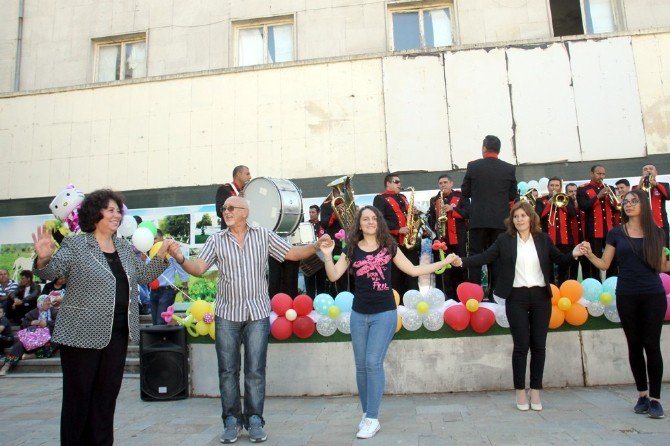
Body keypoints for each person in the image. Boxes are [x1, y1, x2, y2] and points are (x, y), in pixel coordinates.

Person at [173, 196, 330, 444]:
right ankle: (231, 421)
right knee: (228, 371)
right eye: (224, 209)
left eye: (231, 208)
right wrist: (181, 259)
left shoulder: (262, 235)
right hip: (227, 314)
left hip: (257, 313)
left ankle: (255, 419)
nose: (226, 212)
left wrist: (315, 246)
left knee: (255, 371)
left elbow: (290, 253)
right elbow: (200, 268)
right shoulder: (216, 240)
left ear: (245, 212)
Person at [32, 189, 173, 445]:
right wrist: (43, 259)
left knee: (106, 399)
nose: (116, 215)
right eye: (110, 210)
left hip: (117, 335)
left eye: (118, 210)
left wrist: (162, 255)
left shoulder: (123, 247)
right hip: (79, 335)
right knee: (79, 399)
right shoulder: (76, 244)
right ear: (94, 213)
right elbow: (52, 272)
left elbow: (142, 275)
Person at [320, 206, 457, 439]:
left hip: (384, 313)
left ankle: (372, 418)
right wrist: (326, 255)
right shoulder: (351, 249)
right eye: (366, 219)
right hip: (358, 314)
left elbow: (413, 270)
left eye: (374, 218)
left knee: (373, 362)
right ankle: (367, 415)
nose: (370, 222)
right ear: (359, 224)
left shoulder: (389, 246)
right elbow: (334, 276)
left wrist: (445, 262)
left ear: (379, 222)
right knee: (361, 366)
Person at [454, 201, 582, 411]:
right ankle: (520, 392)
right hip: (516, 297)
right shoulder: (504, 240)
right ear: (512, 220)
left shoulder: (542, 239)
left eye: (523, 215)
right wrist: (462, 261)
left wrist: (574, 253)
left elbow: (560, 259)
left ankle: (536, 391)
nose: (520, 219)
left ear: (531, 218)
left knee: (539, 346)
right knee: (521, 346)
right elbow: (485, 257)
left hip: (541, 296)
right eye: (516, 216)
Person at [579, 189, 669, 419]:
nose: (628, 205)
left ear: (643, 205)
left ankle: (656, 400)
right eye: (626, 201)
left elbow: (661, 267)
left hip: (653, 294)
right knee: (634, 344)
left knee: (652, 344)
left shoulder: (657, 232)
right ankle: (642, 394)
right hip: (626, 294)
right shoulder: (616, 233)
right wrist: (589, 254)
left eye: (633, 201)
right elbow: (604, 263)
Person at [461, 135, 517, 294]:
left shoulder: (473, 166)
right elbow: (512, 195)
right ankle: (496, 294)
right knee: (497, 257)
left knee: (475, 256)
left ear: (484, 148)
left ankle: (474, 294)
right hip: (500, 221)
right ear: (499, 150)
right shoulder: (509, 168)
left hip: (478, 220)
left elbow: (465, 191)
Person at [373, 174, 420, 298]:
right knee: (395, 275)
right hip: (392, 242)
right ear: (388, 184)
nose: (399, 184)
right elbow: (379, 219)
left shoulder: (403, 197)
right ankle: (397, 303)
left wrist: (414, 214)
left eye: (399, 182)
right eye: (396, 182)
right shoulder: (380, 198)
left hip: (409, 242)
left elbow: (407, 216)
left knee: (412, 273)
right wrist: (397, 230)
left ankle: (414, 300)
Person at [427, 174, 470, 299]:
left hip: (458, 239)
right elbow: (432, 219)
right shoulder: (434, 200)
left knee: (460, 270)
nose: (443, 185)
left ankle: (462, 297)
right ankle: (446, 299)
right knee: (444, 272)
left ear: (451, 184)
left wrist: (453, 209)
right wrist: (433, 226)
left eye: (445, 182)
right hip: (441, 241)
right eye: (440, 183)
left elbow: (469, 213)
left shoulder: (461, 196)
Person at [0, 295, 59, 376]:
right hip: (33, 338)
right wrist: (32, 323)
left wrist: (47, 323)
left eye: (49, 301)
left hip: (48, 338)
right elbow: (23, 325)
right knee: (19, 344)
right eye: (45, 301)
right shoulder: (32, 313)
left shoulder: (54, 311)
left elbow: (59, 324)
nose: (48, 303)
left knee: (56, 341)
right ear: (40, 303)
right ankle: (7, 365)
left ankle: (33, 355)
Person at [577, 165, 618, 279]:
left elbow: (616, 208)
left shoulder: (609, 188)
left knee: (613, 259)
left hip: (610, 229)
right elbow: (583, 207)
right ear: (591, 174)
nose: (601, 176)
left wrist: (613, 198)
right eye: (598, 173)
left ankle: (612, 281)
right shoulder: (583, 189)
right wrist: (598, 196)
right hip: (594, 231)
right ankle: (597, 283)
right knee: (594, 260)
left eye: (603, 174)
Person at [534, 177, 576, 285]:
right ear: (548, 187)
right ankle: (551, 290)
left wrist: (562, 204)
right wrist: (549, 203)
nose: (554, 188)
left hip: (565, 239)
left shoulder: (567, 199)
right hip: (547, 240)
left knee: (564, 267)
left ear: (560, 187)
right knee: (548, 269)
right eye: (552, 185)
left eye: (557, 185)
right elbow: (538, 216)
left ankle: (563, 289)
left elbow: (572, 214)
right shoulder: (540, 201)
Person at [150, 230, 189, 325]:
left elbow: (182, 271)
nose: (154, 241)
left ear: (162, 238)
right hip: (153, 291)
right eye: (152, 239)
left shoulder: (170, 253)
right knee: (155, 322)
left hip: (167, 291)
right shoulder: (151, 253)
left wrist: (185, 289)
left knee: (161, 321)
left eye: (155, 238)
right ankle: (158, 339)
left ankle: (165, 339)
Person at [636, 164, 669, 245]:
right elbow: (634, 198)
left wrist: (656, 184)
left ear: (656, 172)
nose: (648, 170)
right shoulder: (636, 187)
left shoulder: (663, 185)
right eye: (645, 169)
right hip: (643, 224)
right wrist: (640, 184)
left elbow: (668, 196)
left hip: (661, 223)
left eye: (651, 169)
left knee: (664, 249)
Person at [215, 165, 251, 229]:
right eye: (247, 174)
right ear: (238, 174)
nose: (250, 177)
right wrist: (237, 200)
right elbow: (219, 212)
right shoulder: (224, 189)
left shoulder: (247, 191)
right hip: (230, 233)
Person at [566, 182, 589, 281]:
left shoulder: (584, 204)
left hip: (585, 241)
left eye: (575, 191)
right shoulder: (565, 205)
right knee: (573, 270)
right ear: (566, 193)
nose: (573, 194)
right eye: (570, 191)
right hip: (572, 242)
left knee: (588, 269)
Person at [304, 205, 327, 297]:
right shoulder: (305, 225)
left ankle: (321, 304)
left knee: (321, 282)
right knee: (309, 284)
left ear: (318, 213)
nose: (311, 214)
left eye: (313, 212)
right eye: (310, 212)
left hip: (321, 257)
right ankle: (310, 304)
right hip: (308, 257)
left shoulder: (323, 225)